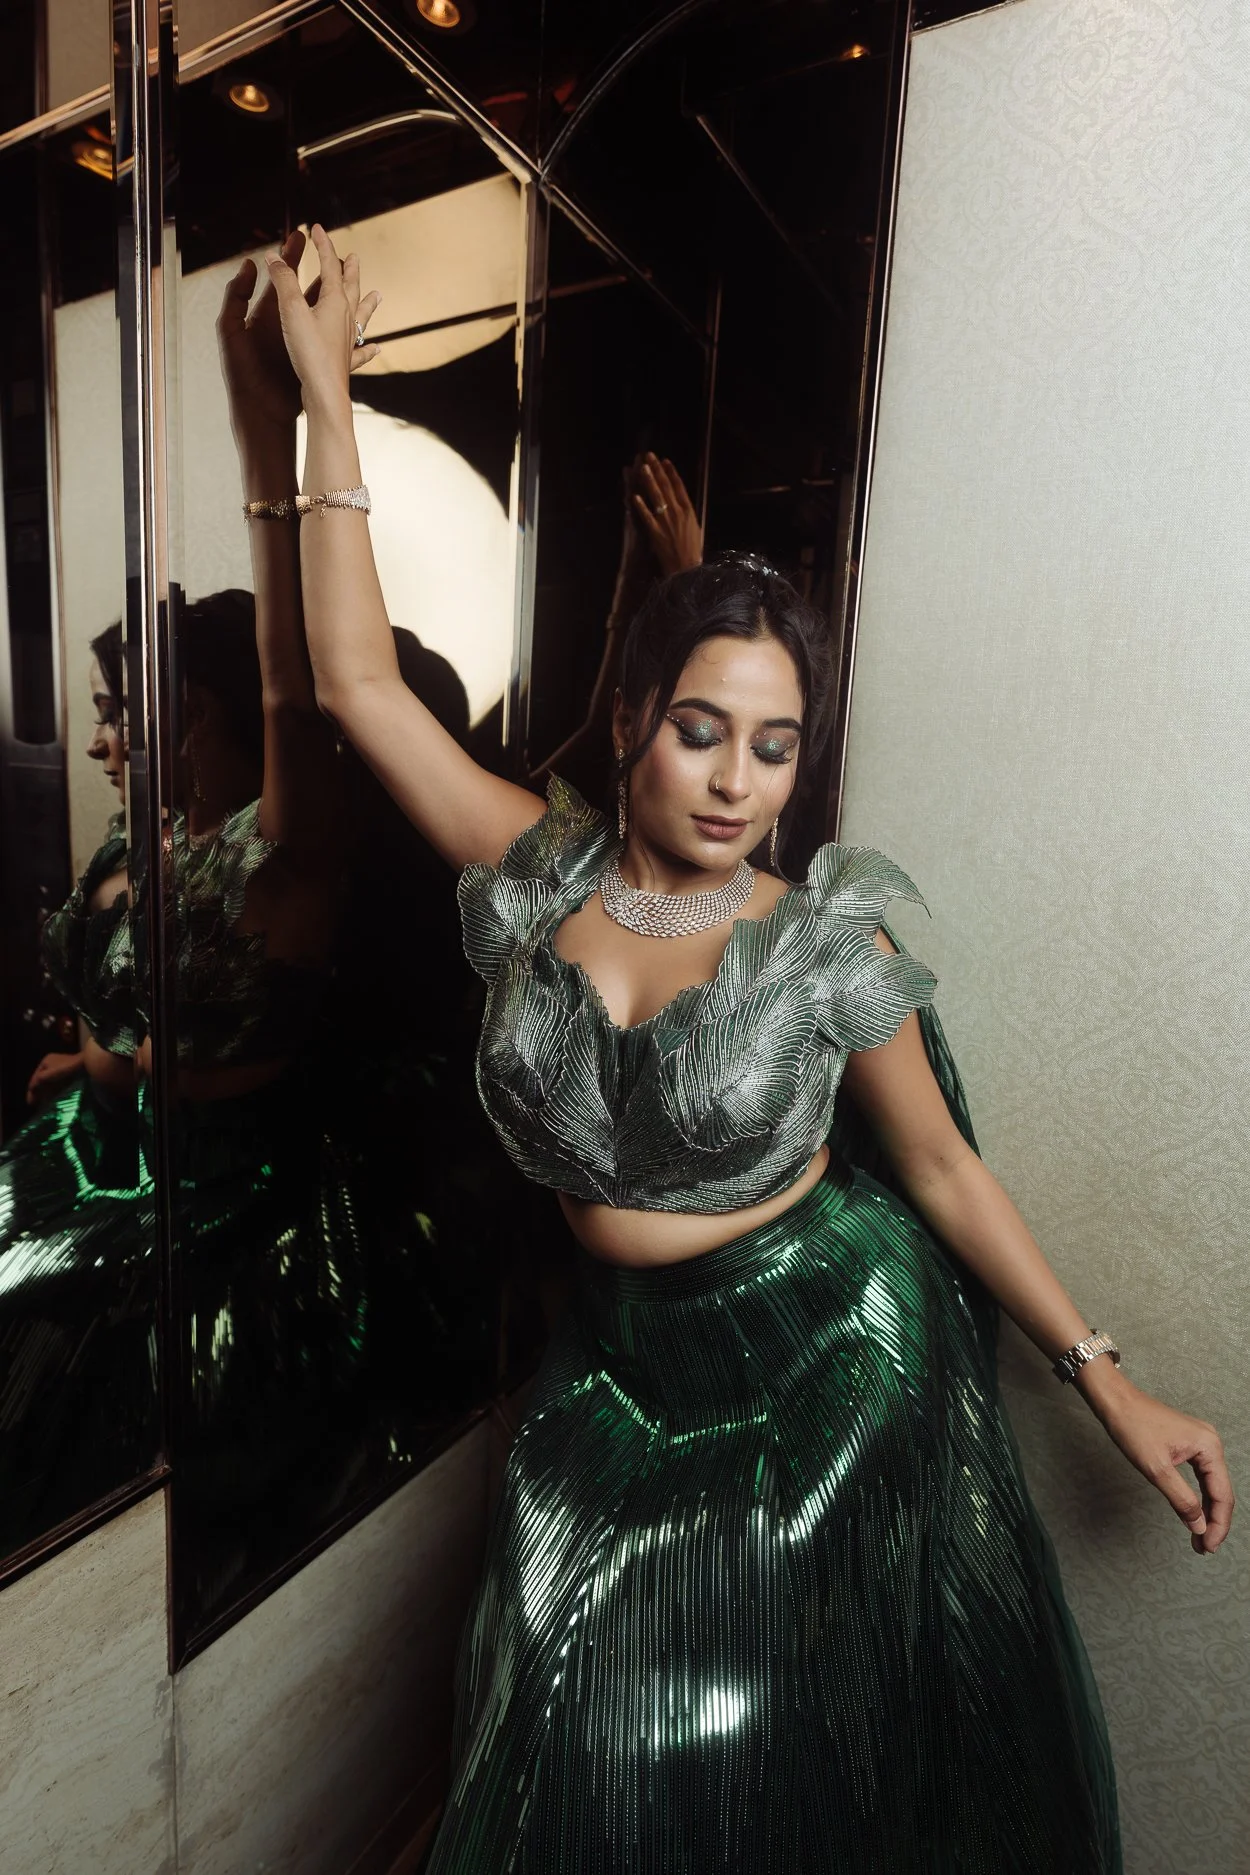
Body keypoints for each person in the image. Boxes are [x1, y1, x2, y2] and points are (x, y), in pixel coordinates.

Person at [261, 224, 1234, 1873]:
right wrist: (321, 398)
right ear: (629, 721)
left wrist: (1110, 1385)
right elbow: (359, 685)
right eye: (702, 731)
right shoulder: (539, 867)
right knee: (559, 1721)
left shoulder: (825, 940)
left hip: (824, 1358)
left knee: (746, 1761)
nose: (736, 782)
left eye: (774, 747)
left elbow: (937, 1166)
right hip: (618, 1373)